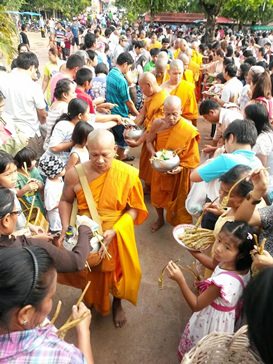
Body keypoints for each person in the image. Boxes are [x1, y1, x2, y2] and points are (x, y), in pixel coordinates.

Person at [58, 129, 148, 327]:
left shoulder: (128, 174)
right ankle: (91, 300)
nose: (99, 160)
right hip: (85, 234)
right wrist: (65, 227)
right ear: (87, 150)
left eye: (105, 155)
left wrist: (116, 230)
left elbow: (134, 209)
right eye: (94, 155)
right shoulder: (75, 174)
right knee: (89, 271)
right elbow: (65, 200)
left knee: (118, 274)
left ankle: (117, 303)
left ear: (115, 150)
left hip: (116, 233)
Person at [166, 221, 254, 360]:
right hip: (227, 317)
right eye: (219, 240)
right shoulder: (239, 267)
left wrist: (180, 280)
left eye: (227, 247)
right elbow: (215, 266)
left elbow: (196, 304)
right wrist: (191, 249)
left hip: (210, 321)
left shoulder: (221, 284)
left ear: (241, 254)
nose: (218, 248)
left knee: (200, 353)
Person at [0, 246, 94, 364]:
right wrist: (83, 330)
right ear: (25, 314)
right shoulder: (63, 357)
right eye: (50, 297)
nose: (51, 302)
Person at [0, 185, 92, 272]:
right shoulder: (27, 247)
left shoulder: (18, 243)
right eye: (17, 212)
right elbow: (76, 262)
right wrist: (84, 228)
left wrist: (32, 238)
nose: (17, 216)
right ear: (6, 220)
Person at [146, 96, 200, 231]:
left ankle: (178, 221)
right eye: (167, 114)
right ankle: (160, 219)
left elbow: (192, 157)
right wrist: (154, 154)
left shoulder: (188, 129)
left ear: (181, 110)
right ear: (163, 111)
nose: (171, 118)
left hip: (178, 171)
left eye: (174, 114)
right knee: (157, 196)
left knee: (177, 198)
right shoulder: (158, 123)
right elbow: (148, 142)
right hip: (159, 167)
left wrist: (181, 167)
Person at [125, 72, 169, 190]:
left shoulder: (163, 99)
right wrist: (130, 125)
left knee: (154, 164)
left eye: (141, 87)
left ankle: (155, 189)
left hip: (158, 137)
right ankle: (149, 186)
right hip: (148, 134)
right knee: (146, 163)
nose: (141, 90)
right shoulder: (150, 96)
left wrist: (138, 142)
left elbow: (152, 127)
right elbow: (142, 115)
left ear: (148, 85)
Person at [0, 52, 47, 158]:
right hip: (28, 134)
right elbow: (42, 114)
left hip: (8, 133)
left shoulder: (3, 80)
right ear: (32, 67)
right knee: (32, 164)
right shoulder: (33, 87)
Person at [190, 119, 262, 184]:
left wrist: (214, 158)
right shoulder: (258, 162)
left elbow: (194, 176)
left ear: (231, 138)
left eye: (225, 142)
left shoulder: (226, 159)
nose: (224, 146)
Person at [106, 52, 139, 161]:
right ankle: (119, 160)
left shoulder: (111, 73)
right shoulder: (121, 80)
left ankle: (121, 156)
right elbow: (128, 101)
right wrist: (137, 114)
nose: (128, 70)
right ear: (125, 64)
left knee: (116, 139)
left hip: (111, 112)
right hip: (120, 114)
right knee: (123, 141)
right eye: (129, 68)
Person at [41, 98, 89, 166]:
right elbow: (54, 147)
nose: (89, 116)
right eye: (88, 113)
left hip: (63, 167)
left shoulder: (79, 127)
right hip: (51, 168)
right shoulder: (64, 125)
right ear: (80, 116)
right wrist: (75, 142)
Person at [43, 78, 76, 151]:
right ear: (65, 95)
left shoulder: (54, 104)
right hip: (56, 147)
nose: (75, 95)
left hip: (47, 144)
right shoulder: (65, 107)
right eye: (73, 92)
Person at [162, 59, 198, 125]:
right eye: (175, 73)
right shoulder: (162, 88)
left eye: (180, 73)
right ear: (169, 72)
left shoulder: (188, 88)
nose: (178, 77)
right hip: (165, 124)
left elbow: (193, 115)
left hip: (183, 124)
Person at [14, 147, 45, 216]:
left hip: (38, 203)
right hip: (26, 207)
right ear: (24, 163)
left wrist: (37, 183)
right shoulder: (15, 176)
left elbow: (42, 186)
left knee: (42, 217)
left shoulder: (34, 170)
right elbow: (17, 195)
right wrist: (26, 188)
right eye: (33, 160)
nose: (35, 161)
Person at [39, 155, 65, 233]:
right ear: (56, 173)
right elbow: (49, 206)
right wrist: (64, 201)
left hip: (61, 212)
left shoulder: (58, 178)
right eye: (62, 168)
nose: (64, 169)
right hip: (56, 217)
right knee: (58, 233)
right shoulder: (50, 188)